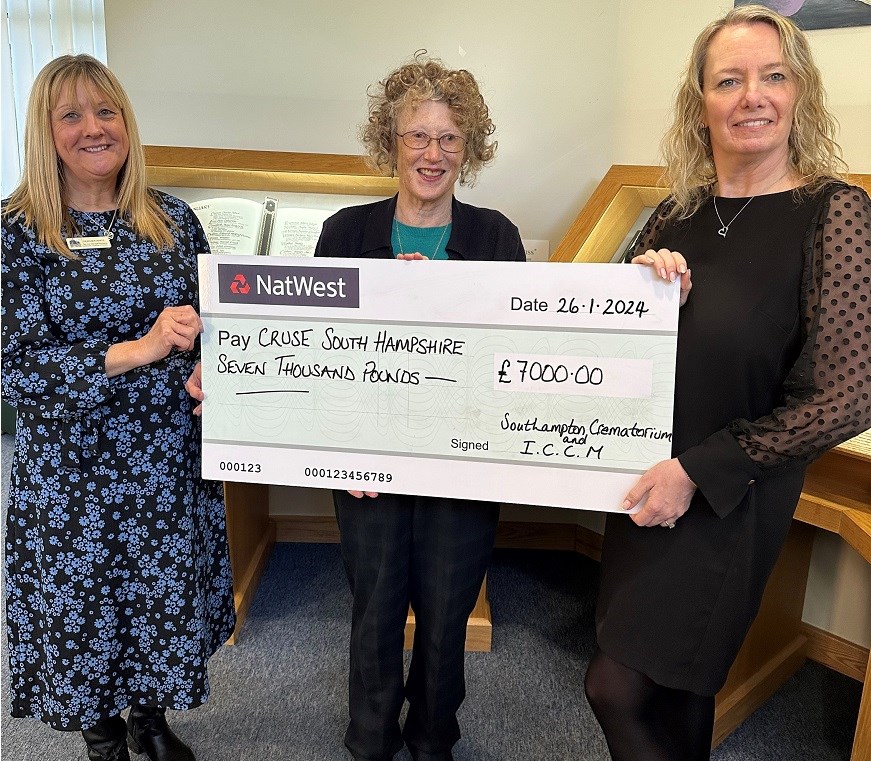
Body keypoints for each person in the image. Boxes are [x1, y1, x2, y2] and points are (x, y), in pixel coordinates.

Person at [583, 6, 871, 760]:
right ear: (699, 101)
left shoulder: (832, 213)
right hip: (645, 475)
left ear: (798, 93)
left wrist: (698, 472)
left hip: (729, 491)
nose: (752, 95)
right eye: (728, 79)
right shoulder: (673, 214)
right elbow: (597, 346)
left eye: (772, 77)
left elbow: (846, 393)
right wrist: (635, 292)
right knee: (678, 689)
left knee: (612, 688)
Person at [1, 54, 235, 761]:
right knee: (86, 604)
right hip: (73, 470)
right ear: (47, 131)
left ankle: (151, 719)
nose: (93, 128)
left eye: (106, 112)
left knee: (159, 594)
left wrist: (204, 369)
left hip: (164, 457)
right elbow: (16, 369)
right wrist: (140, 348)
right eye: (71, 114)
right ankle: (101, 734)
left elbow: (213, 325)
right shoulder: (17, 231)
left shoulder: (171, 217)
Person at [314, 54, 525, 761]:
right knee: (374, 607)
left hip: (459, 463)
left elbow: (510, 363)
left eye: (449, 139)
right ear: (390, 142)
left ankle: (434, 734)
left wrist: (442, 304)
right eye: (417, 136)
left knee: (445, 609)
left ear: (469, 149)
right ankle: (369, 737)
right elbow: (316, 355)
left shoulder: (495, 238)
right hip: (366, 461)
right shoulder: (345, 233)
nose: (432, 154)